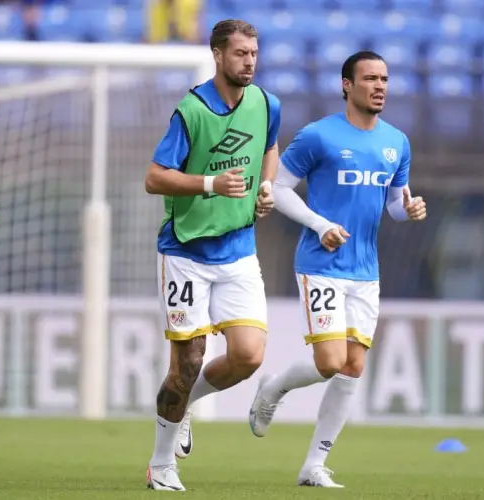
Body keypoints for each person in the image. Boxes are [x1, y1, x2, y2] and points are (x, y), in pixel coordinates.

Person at [247, 51, 427, 488]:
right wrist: (320, 224)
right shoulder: (318, 136)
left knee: (353, 367)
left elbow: (393, 204)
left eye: (384, 78)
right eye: (369, 78)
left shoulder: (396, 142)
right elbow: (279, 189)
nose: (379, 86)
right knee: (330, 362)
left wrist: (410, 209)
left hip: (366, 270)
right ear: (347, 84)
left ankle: (313, 466)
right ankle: (273, 389)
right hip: (321, 263)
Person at [142, 19, 281, 492]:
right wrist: (210, 184)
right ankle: (161, 464)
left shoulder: (266, 103)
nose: (249, 62)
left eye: (254, 54)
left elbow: (271, 145)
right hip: (186, 250)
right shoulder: (191, 110)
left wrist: (266, 187)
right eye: (240, 53)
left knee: (248, 356)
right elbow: (155, 177)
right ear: (218, 55)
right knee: (187, 361)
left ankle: (184, 411)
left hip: (238, 249)